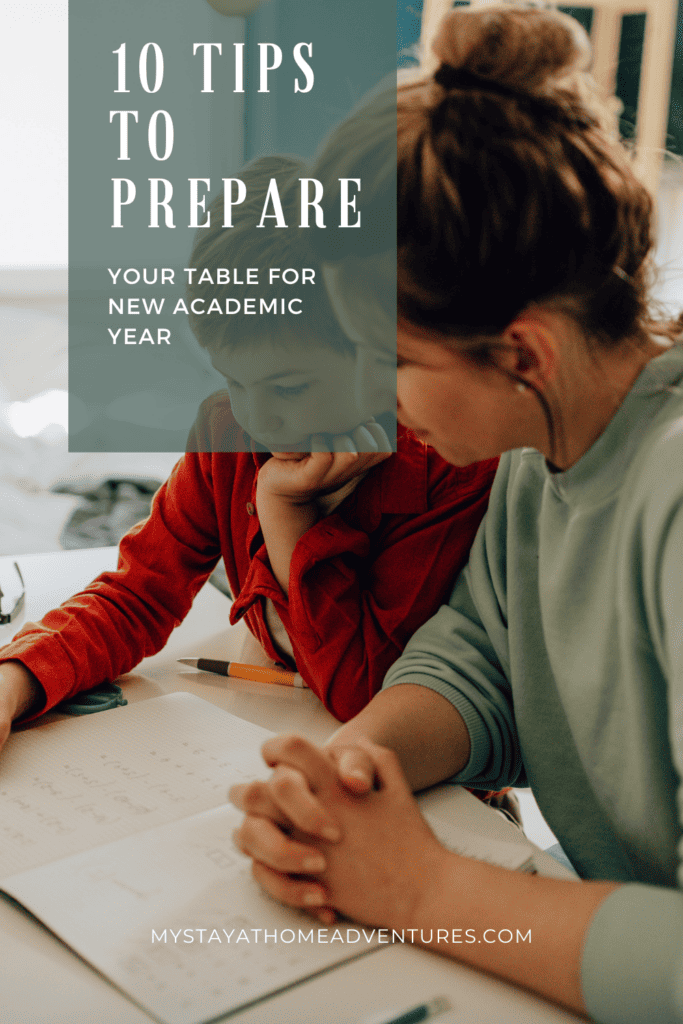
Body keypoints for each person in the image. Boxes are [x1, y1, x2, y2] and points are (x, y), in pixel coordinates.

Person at [229, 7, 683, 1023]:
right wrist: (354, 770)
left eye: (394, 363)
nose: (376, 400)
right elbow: (480, 654)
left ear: (520, 353)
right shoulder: (542, 441)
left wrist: (421, 888)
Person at [0, 156, 497, 745]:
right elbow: (141, 592)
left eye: (287, 387)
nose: (258, 417)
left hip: (414, 778)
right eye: (234, 381)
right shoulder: (229, 431)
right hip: (274, 731)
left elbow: (364, 691)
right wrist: (15, 681)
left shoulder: (449, 470)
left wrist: (285, 510)